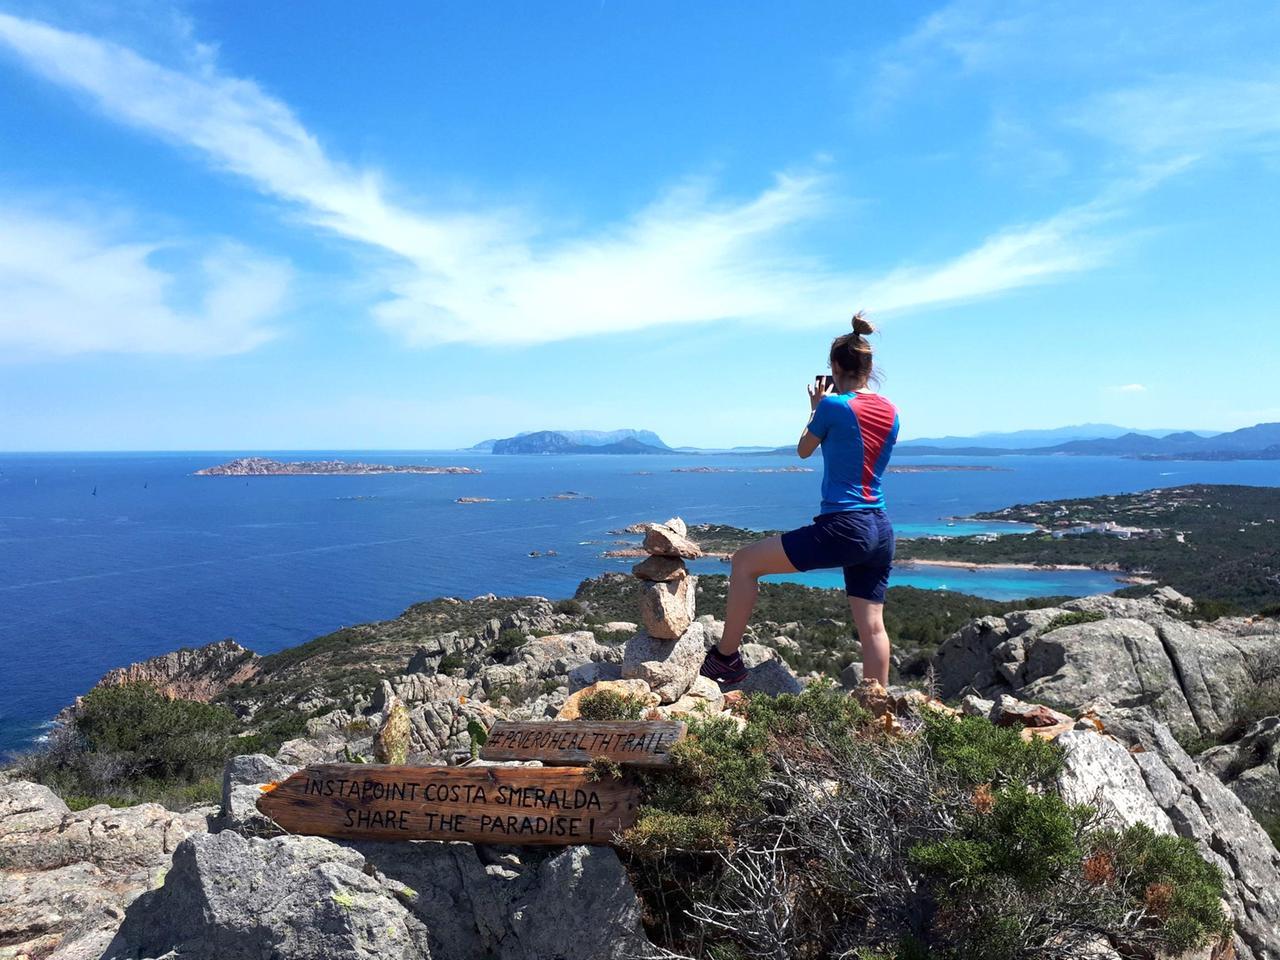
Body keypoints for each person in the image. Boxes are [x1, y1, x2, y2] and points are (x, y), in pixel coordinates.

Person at [699, 311, 899, 687]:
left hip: (845, 525)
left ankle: (724, 659)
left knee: (744, 563)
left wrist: (816, 408)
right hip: (881, 529)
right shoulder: (892, 411)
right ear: (870, 368)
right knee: (873, 627)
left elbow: (805, 449)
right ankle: (878, 709)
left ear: (834, 367)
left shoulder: (833, 407)